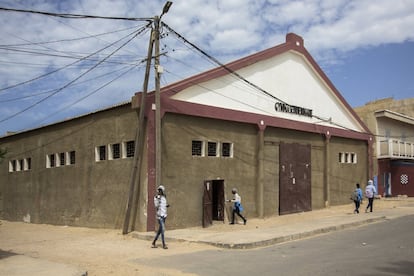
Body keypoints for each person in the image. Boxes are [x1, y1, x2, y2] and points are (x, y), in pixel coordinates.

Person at [152, 185, 169, 249]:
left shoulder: (164, 197)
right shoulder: (156, 197)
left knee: (160, 231)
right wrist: (158, 200)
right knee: (163, 230)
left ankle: (153, 242)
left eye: (161, 190)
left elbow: (164, 205)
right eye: (159, 190)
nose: (159, 191)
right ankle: (164, 244)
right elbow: (156, 206)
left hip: (164, 215)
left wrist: (166, 205)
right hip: (160, 216)